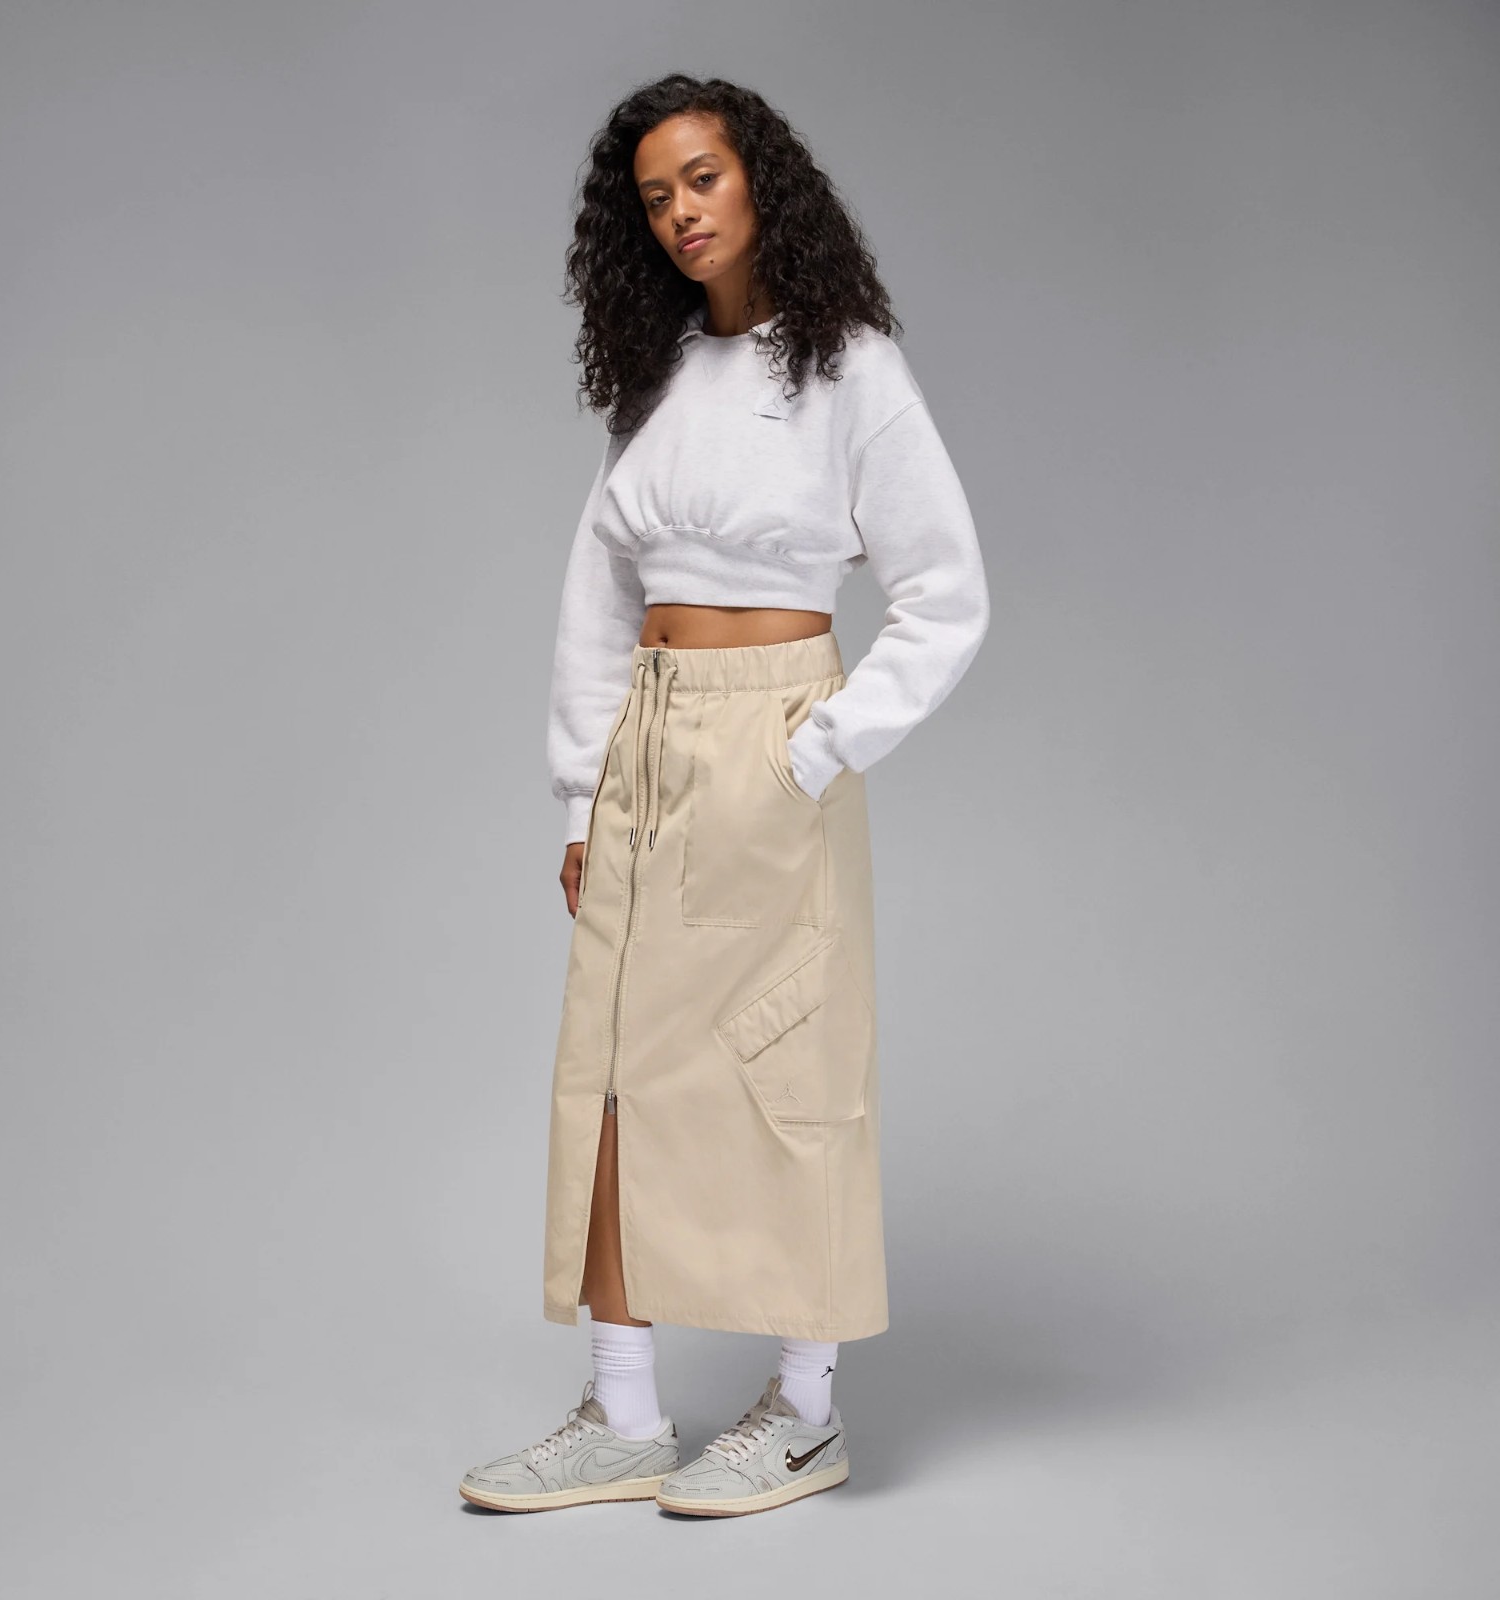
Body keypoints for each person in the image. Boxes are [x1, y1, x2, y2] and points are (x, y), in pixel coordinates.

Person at [458, 73, 989, 1518]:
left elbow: (947, 593)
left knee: (788, 1062)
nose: (682, 212)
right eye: (655, 198)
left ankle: (805, 1411)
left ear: (762, 180)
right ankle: (622, 1411)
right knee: (613, 1066)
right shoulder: (656, 378)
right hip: (648, 736)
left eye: (702, 178)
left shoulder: (850, 367)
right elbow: (596, 599)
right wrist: (581, 799)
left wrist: (817, 749)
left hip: (774, 734)